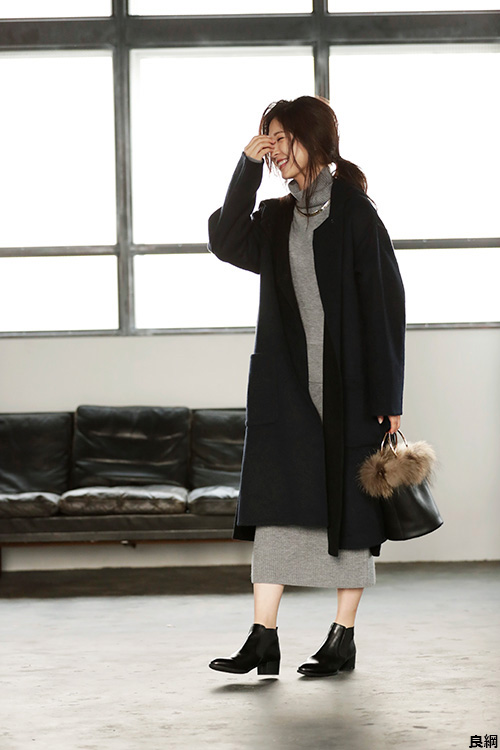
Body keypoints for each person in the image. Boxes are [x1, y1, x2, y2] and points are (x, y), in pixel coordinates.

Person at [207, 95, 405, 678]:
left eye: (280, 138)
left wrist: (388, 397)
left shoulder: (356, 213)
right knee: (275, 509)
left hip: (349, 393)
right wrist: (245, 167)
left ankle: (342, 638)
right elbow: (224, 240)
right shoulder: (273, 219)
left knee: (351, 516)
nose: (273, 150)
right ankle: (262, 637)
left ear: (311, 138)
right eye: (266, 140)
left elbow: (385, 304)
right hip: (287, 389)